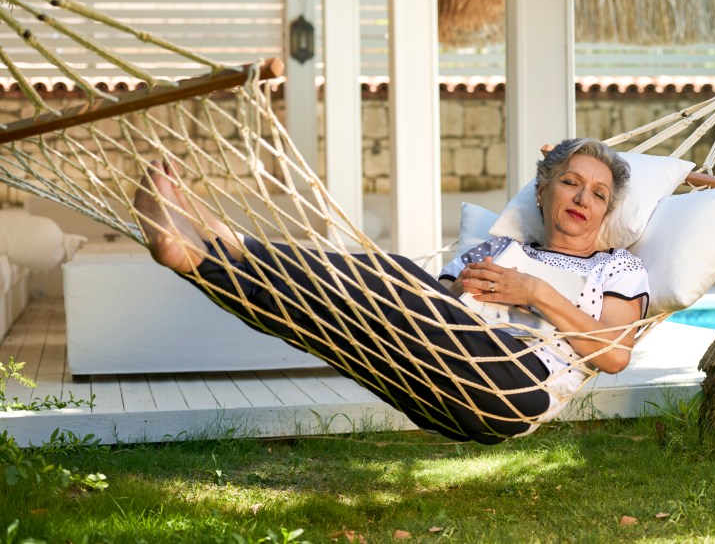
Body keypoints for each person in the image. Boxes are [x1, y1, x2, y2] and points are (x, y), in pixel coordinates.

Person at [132, 138, 649, 444]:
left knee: (395, 274)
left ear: (607, 211)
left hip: (513, 390)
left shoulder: (618, 267)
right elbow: (436, 299)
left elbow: (616, 354)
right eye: (570, 182)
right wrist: (477, 286)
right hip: (434, 375)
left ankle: (225, 239)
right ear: (543, 190)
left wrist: (533, 291)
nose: (583, 197)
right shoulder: (498, 249)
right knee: (327, 316)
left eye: (599, 194)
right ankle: (194, 260)